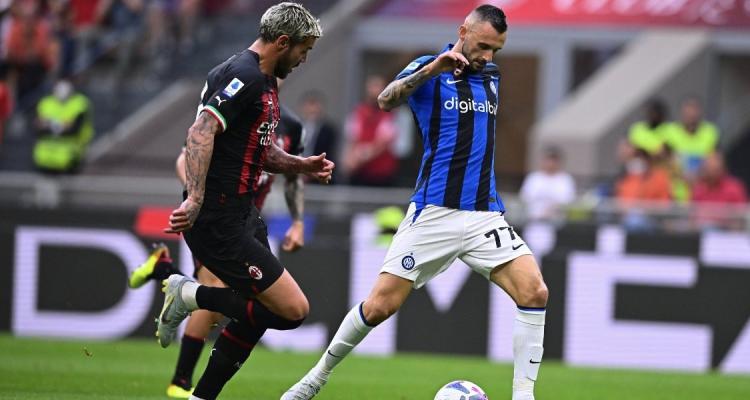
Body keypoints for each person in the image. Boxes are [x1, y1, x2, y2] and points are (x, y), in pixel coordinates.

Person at [282, 5, 548, 400]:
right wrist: (435, 67)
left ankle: (524, 395)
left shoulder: (491, 75)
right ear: (463, 31)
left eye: (496, 49)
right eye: (483, 45)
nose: (488, 56)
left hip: (484, 215)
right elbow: (386, 100)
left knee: (535, 292)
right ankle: (315, 378)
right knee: (379, 306)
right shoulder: (428, 69)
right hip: (434, 212)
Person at [156, 4, 332, 400]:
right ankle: (190, 295)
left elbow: (259, 151)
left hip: (242, 214)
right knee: (293, 310)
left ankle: (200, 395)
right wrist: (195, 197)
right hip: (219, 218)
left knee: (258, 314)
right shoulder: (245, 75)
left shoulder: (263, 79)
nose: (304, 60)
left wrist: (301, 165)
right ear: (283, 42)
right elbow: (201, 131)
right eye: (303, 50)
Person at [128, 103, 307, 398]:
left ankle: (164, 270)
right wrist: (198, 196)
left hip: (249, 224)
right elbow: (186, 158)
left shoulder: (290, 125)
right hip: (218, 221)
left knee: (248, 305)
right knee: (216, 292)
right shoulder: (235, 104)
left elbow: (292, 177)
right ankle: (181, 381)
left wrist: (297, 222)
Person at [343, 75, 399, 186]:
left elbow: (383, 143)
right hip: (359, 172)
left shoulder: (390, 114)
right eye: (372, 86)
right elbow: (352, 138)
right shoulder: (359, 111)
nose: (374, 90)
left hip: (381, 173)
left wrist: (358, 158)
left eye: (378, 86)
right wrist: (348, 159)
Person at [32, 79, 94, 172]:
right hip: (43, 157)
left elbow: (74, 130)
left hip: (72, 156)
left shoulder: (80, 104)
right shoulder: (46, 103)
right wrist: (62, 125)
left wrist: (49, 124)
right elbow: (38, 126)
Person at [663, 97, 719, 179]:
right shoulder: (670, 132)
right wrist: (681, 174)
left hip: (702, 184)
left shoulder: (709, 132)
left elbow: (715, 161)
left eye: (694, 115)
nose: (691, 117)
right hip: (677, 184)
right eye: (688, 115)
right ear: (682, 114)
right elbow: (663, 160)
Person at [691, 152, 747, 229]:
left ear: (722, 169)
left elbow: (742, 215)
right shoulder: (699, 188)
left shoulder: (734, 188)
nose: (711, 173)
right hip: (702, 231)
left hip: (728, 232)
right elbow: (692, 215)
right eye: (707, 169)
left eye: (715, 170)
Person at [519, 146, 576, 222]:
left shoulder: (565, 179)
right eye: (548, 160)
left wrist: (552, 209)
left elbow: (569, 201)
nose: (550, 163)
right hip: (533, 220)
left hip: (557, 222)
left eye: (554, 160)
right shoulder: (533, 178)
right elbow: (525, 198)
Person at [299, 90, 339, 181]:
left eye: (315, 105)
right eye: (310, 105)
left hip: (320, 175)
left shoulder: (329, 130)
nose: (312, 109)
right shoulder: (297, 128)